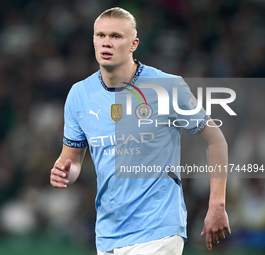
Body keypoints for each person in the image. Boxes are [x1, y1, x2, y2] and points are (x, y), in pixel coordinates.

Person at [50, 7, 231, 255]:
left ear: (134, 43)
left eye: (116, 36)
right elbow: (72, 159)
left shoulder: (167, 87)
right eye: (100, 35)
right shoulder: (79, 95)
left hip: (159, 230)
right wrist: (64, 172)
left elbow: (215, 141)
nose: (107, 42)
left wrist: (217, 204)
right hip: (108, 235)